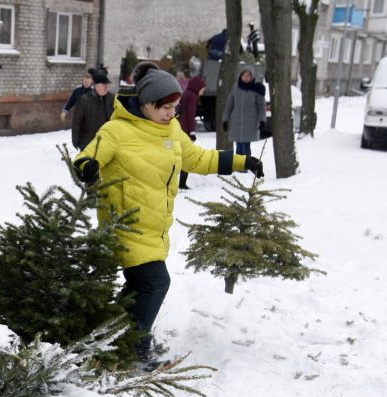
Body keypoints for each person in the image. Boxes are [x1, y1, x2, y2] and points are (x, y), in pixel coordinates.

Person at [72, 63, 264, 367]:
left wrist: (243, 161)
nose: (170, 113)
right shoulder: (116, 131)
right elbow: (85, 158)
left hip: (155, 228)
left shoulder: (172, 129)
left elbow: (197, 158)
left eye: (174, 107)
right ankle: (134, 348)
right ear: (145, 103)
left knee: (139, 288)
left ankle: (119, 338)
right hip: (125, 226)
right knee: (155, 283)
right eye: (164, 107)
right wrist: (88, 168)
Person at [222, 65, 266, 157]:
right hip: (236, 123)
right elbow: (229, 105)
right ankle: (239, 167)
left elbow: (261, 107)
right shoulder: (235, 89)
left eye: (248, 76)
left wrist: (262, 121)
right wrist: (225, 120)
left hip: (249, 124)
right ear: (240, 76)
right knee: (238, 146)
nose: (246, 78)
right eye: (244, 75)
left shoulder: (257, 89)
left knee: (245, 146)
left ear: (252, 77)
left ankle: (246, 166)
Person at [71, 68, 114, 150]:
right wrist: (75, 140)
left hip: (107, 143)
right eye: (103, 85)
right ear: (96, 86)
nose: (106, 88)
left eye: (107, 85)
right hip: (88, 144)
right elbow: (76, 121)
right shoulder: (84, 100)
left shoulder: (112, 98)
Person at [177, 75, 207, 189]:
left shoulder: (185, 94)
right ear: (197, 87)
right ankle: (182, 183)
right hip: (185, 130)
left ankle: (178, 182)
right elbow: (190, 114)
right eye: (202, 90)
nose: (202, 93)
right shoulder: (192, 96)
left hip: (179, 128)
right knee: (186, 156)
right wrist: (192, 132)